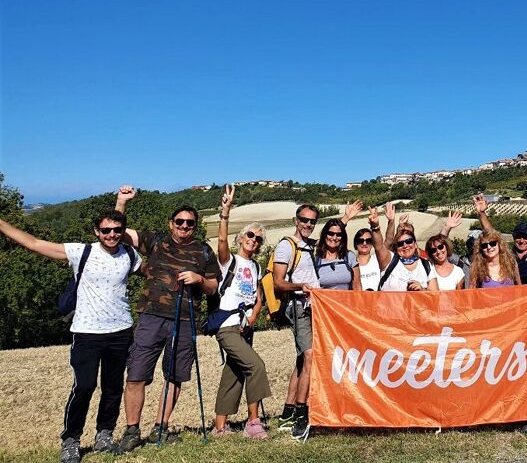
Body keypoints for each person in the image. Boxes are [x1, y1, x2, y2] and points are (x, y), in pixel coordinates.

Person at [0, 208, 140, 463]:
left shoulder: (130, 254)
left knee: (113, 387)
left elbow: (154, 272)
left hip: (121, 330)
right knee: (84, 386)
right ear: (96, 231)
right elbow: (33, 243)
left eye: (117, 230)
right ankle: (71, 440)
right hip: (86, 332)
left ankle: (104, 435)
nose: (111, 234)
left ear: (123, 232)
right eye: (105, 230)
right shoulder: (82, 251)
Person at [114, 187, 221, 452]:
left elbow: (213, 288)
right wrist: (121, 202)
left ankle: (160, 427)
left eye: (190, 223)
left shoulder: (204, 251)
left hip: (185, 321)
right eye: (180, 221)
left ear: (195, 226)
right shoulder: (156, 240)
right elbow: (118, 231)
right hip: (151, 316)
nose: (184, 226)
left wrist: (200, 280)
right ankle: (131, 430)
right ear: (171, 224)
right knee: (137, 374)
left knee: (174, 376)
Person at [273, 200, 363, 439]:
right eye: (304, 220)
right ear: (296, 220)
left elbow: (332, 236)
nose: (308, 224)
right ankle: (303, 416)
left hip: (319, 310)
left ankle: (287, 412)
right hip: (300, 307)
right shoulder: (287, 246)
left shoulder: (310, 246)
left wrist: (345, 218)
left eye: (312, 221)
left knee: (303, 361)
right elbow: (278, 282)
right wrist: (301, 286)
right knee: (311, 356)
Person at [210, 184, 271, 439]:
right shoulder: (229, 261)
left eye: (258, 238)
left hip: (246, 325)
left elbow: (259, 296)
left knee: (234, 373)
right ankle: (253, 423)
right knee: (256, 366)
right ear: (240, 238)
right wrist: (226, 211)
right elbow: (221, 240)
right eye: (250, 235)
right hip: (227, 325)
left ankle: (219, 427)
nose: (253, 240)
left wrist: (256, 314)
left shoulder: (256, 267)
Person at [471, 194, 527, 284]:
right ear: (513, 237)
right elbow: (492, 236)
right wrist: (482, 213)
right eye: (518, 236)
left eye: (525, 237)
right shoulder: (507, 255)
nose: (521, 240)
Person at [378, 221, 439, 292]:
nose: (405, 245)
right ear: (396, 248)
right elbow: (379, 246)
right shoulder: (389, 262)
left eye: (409, 241)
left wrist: (422, 290)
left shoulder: (426, 264)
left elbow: (435, 295)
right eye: (400, 244)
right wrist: (375, 226)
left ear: (415, 244)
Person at [314, 219, 361, 290]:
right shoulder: (316, 259)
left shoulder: (350, 256)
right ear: (324, 234)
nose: (334, 238)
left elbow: (357, 286)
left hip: (346, 300)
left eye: (339, 235)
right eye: (331, 233)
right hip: (324, 301)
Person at [354, 213, 381, 291]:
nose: (364, 243)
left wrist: (391, 221)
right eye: (360, 241)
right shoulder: (350, 264)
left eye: (368, 241)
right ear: (355, 243)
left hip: (378, 301)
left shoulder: (378, 259)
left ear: (372, 243)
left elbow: (388, 242)